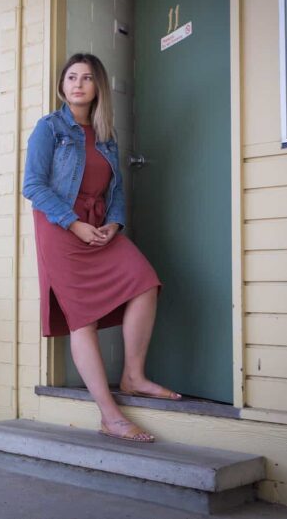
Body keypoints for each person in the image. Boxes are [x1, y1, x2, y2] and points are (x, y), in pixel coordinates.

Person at [22, 53, 179, 443]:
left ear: (98, 88)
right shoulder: (50, 128)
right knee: (83, 319)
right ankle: (110, 416)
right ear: (62, 85)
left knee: (143, 281)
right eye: (71, 77)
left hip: (96, 226)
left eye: (87, 78)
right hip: (61, 227)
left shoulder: (105, 133)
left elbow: (117, 190)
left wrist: (114, 222)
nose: (78, 84)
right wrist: (73, 224)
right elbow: (33, 186)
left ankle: (133, 376)